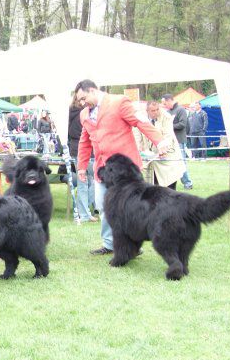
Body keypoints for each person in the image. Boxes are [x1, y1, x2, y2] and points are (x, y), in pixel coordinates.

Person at [75, 80, 168, 255]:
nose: (82, 103)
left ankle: (133, 245)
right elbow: (85, 141)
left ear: (93, 90)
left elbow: (140, 122)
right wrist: (81, 166)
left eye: (83, 98)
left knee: (131, 208)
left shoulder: (119, 102)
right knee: (103, 206)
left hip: (126, 171)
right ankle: (110, 244)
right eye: (79, 101)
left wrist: (159, 140)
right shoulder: (84, 114)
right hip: (102, 169)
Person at [136, 101, 185, 189]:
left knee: (170, 187)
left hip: (167, 156)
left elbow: (168, 135)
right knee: (153, 188)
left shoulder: (166, 117)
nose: (156, 112)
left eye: (157, 109)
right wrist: (139, 146)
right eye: (153, 110)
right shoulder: (140, 118)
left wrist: (163, 147)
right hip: (150, 158)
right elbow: (137, 135)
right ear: (147, 111)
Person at [68, 94, 97, 222]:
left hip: (75, 149)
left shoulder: (69, 113)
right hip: (86, 150)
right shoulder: (85, 114)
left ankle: (84, 213)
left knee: (83, 183)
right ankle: (85, 211)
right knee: (96, 180)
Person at [163, 94, 193, 189]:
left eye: (164, 103)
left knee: (181, 163)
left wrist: (169, 127)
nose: (164, 105)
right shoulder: (167, 112)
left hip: (179, 140)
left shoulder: (181, 110)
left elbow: (183, 124)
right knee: (171, 163)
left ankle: (188, 183)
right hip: (169, 141)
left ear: (169, 101)